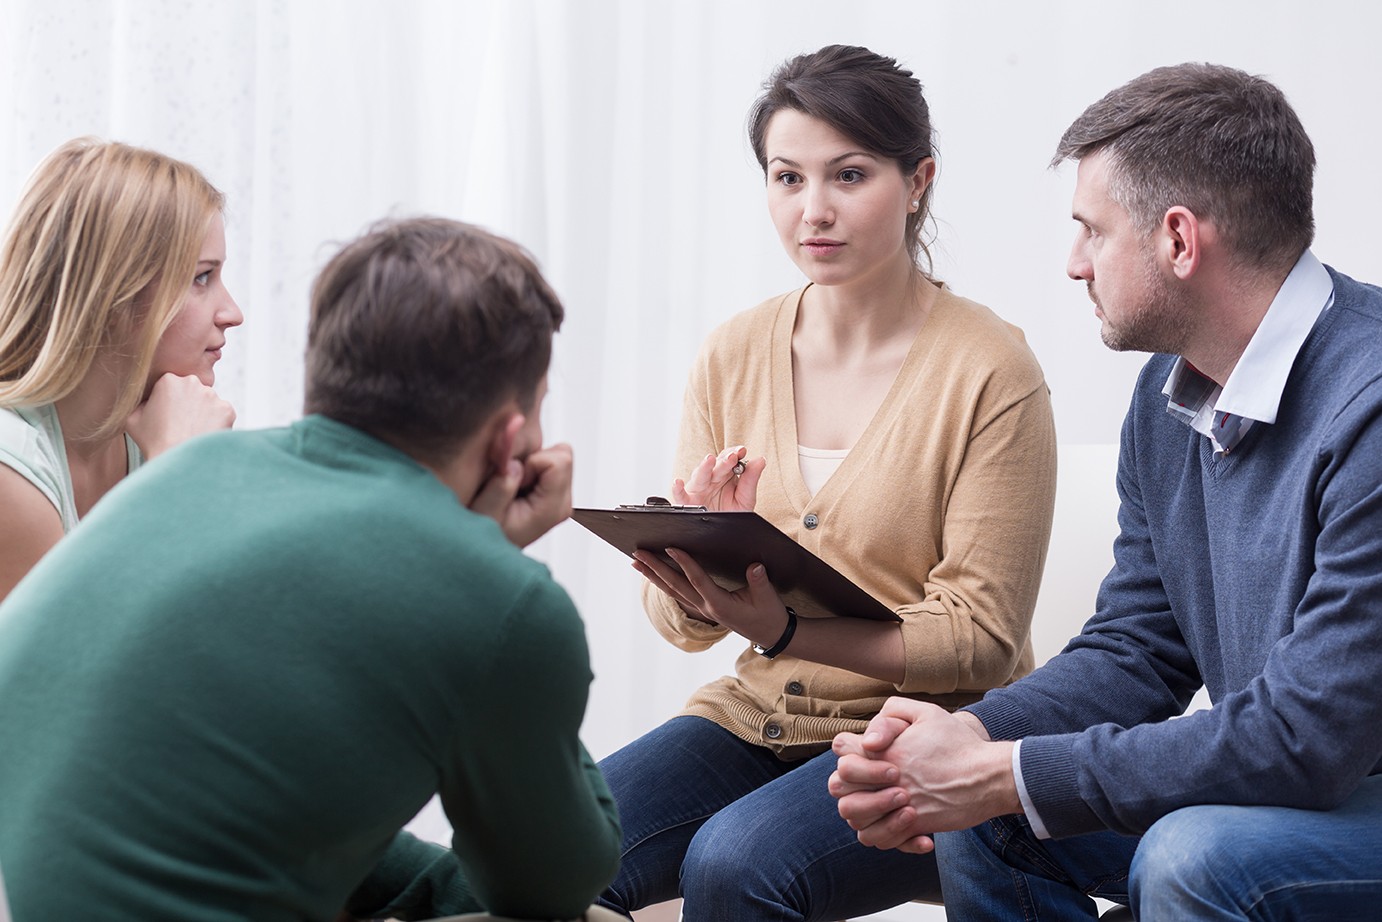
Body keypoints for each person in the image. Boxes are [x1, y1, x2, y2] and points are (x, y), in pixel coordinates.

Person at [830, 62, 1382, 920]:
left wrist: (1008, 770)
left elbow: (1309, 738)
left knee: (1188, 857)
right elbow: (1137, 650)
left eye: (1092, 231)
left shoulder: (1370, 408)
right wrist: (977, 738)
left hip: (1352, 789)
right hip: (1304, 784)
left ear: (1178, 240)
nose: (1074, 264)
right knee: (990, 815)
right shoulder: (1173, 393)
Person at [0, 217, 622, 921]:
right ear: (512, 437)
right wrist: (492, 573)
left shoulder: (198, 469)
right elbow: (552, 886)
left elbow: (271, 796)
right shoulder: (501, 604)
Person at [597, 45, 1057, 920]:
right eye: (786, 177)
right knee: (551, 849)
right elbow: (679, 626)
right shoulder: (733, 353)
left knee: (734, 865)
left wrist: (784, 628)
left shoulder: (992, 369)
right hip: (753, 716)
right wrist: (703, 564)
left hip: (925, 734)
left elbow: (982, 643)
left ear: (917, 180)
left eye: (849, 175)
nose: (814, 211)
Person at [0, 137, 241, 601]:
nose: (232, 312)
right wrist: (175, 474)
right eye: (201, 277)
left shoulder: (154, 426)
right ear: (114, 296)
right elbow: (96, 663)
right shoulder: (11, 472)